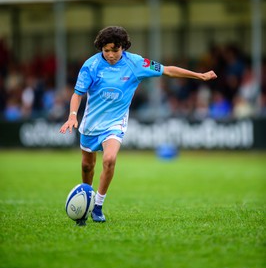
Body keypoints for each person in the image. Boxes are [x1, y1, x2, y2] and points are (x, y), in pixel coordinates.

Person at [60, 26, 217, 224]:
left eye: (114, 50)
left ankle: (98, 206)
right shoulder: (90, 65)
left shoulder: (136, 63)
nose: (110, 55)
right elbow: (78, 94)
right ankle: (86, 203)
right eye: (106, 50)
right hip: (91, 124)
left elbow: (168, 70)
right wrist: (73, 116)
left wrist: (200, 75)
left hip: (115, 124)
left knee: (109, 160)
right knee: (86, 166)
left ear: (123, 48)